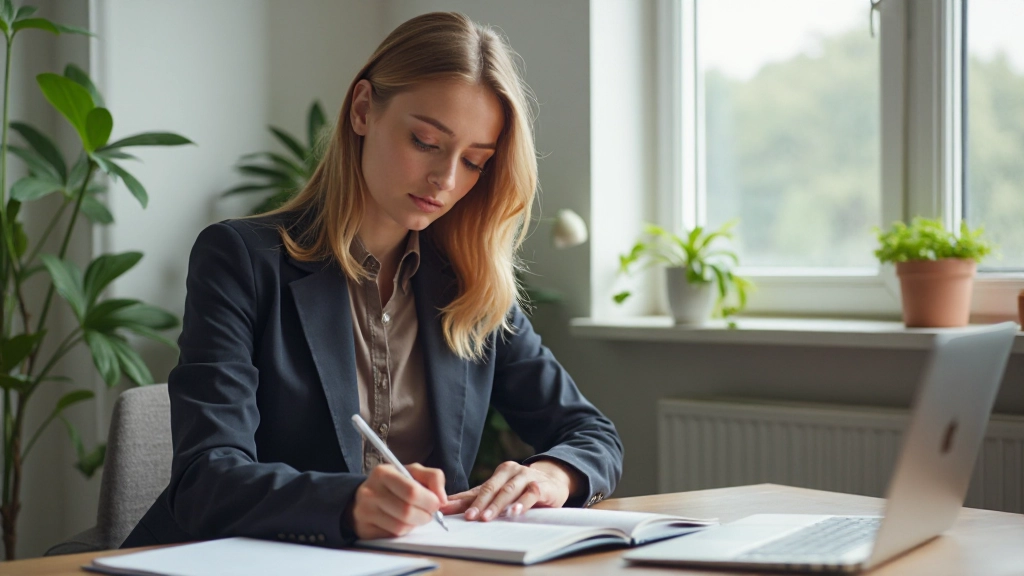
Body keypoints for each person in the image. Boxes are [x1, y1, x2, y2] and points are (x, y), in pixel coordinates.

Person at [123, 11, 622, 548]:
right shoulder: (241, 259)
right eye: (426, 142)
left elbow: (592, 435)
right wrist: (349, 504)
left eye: (474, 162)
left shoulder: (468, 282)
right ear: (363, 110)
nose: (446, 179)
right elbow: (205, 480)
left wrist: (553, 474)